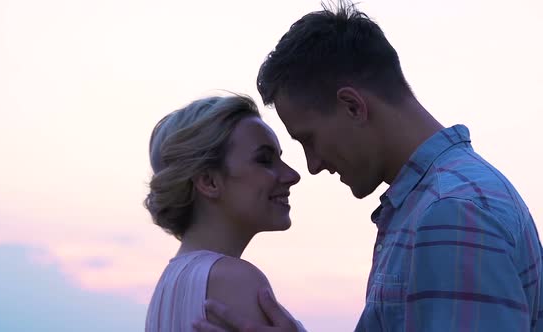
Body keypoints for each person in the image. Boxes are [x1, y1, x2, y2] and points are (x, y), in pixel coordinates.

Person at [193, 1, 543, 331]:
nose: (312, 165)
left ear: (352, 106)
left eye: (309, 139)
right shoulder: (435, 203)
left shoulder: (451, 212)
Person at [144, 94, 307, 331]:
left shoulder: (165, 289)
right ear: (209, 181)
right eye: (264, 160)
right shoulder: (235, 280)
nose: (292, 175)